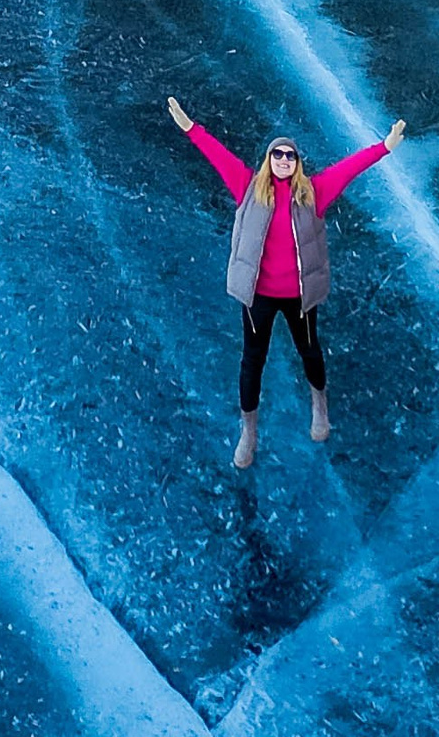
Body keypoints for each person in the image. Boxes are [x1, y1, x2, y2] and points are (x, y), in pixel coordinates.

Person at [168, 95, 404, 467]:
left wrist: (384, 148)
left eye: (289, 156)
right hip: (257, 296)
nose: (282, 160)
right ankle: (249, 432)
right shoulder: (248, 187)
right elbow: (217, 153)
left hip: (298, 297)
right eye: (277, 154)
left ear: (297, 164)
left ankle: (319, 405)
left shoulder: (314, 194)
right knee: (252, 362)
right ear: (268, 160)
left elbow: (350, 168)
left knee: (310, 351)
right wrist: (189, 127)